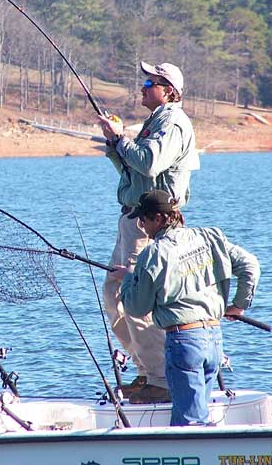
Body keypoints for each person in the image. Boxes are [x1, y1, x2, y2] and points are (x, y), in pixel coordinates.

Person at [97, 61, 200, 404]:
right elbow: (135, 170)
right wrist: (115, 145)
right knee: (115, 294)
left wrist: (122, 139)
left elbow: (151, 162)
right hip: (131, 220)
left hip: (150, 222)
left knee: (136, 298)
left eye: (149, 82)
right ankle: (147, 371)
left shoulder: (172, 122)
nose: (142, 88)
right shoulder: (155, 122)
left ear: (169, 90)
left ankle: (160, 379)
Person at [114, 189, 260, 425]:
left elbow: (136, 308)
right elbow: (250, 265)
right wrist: (239, 306)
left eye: (144, 219)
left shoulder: (153, 253)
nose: (141, 226)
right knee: (199, 413)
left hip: (184, 343)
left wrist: (129, 278)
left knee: (190, 423)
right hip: (214, 341)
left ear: (160, 218)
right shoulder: (210, 237)